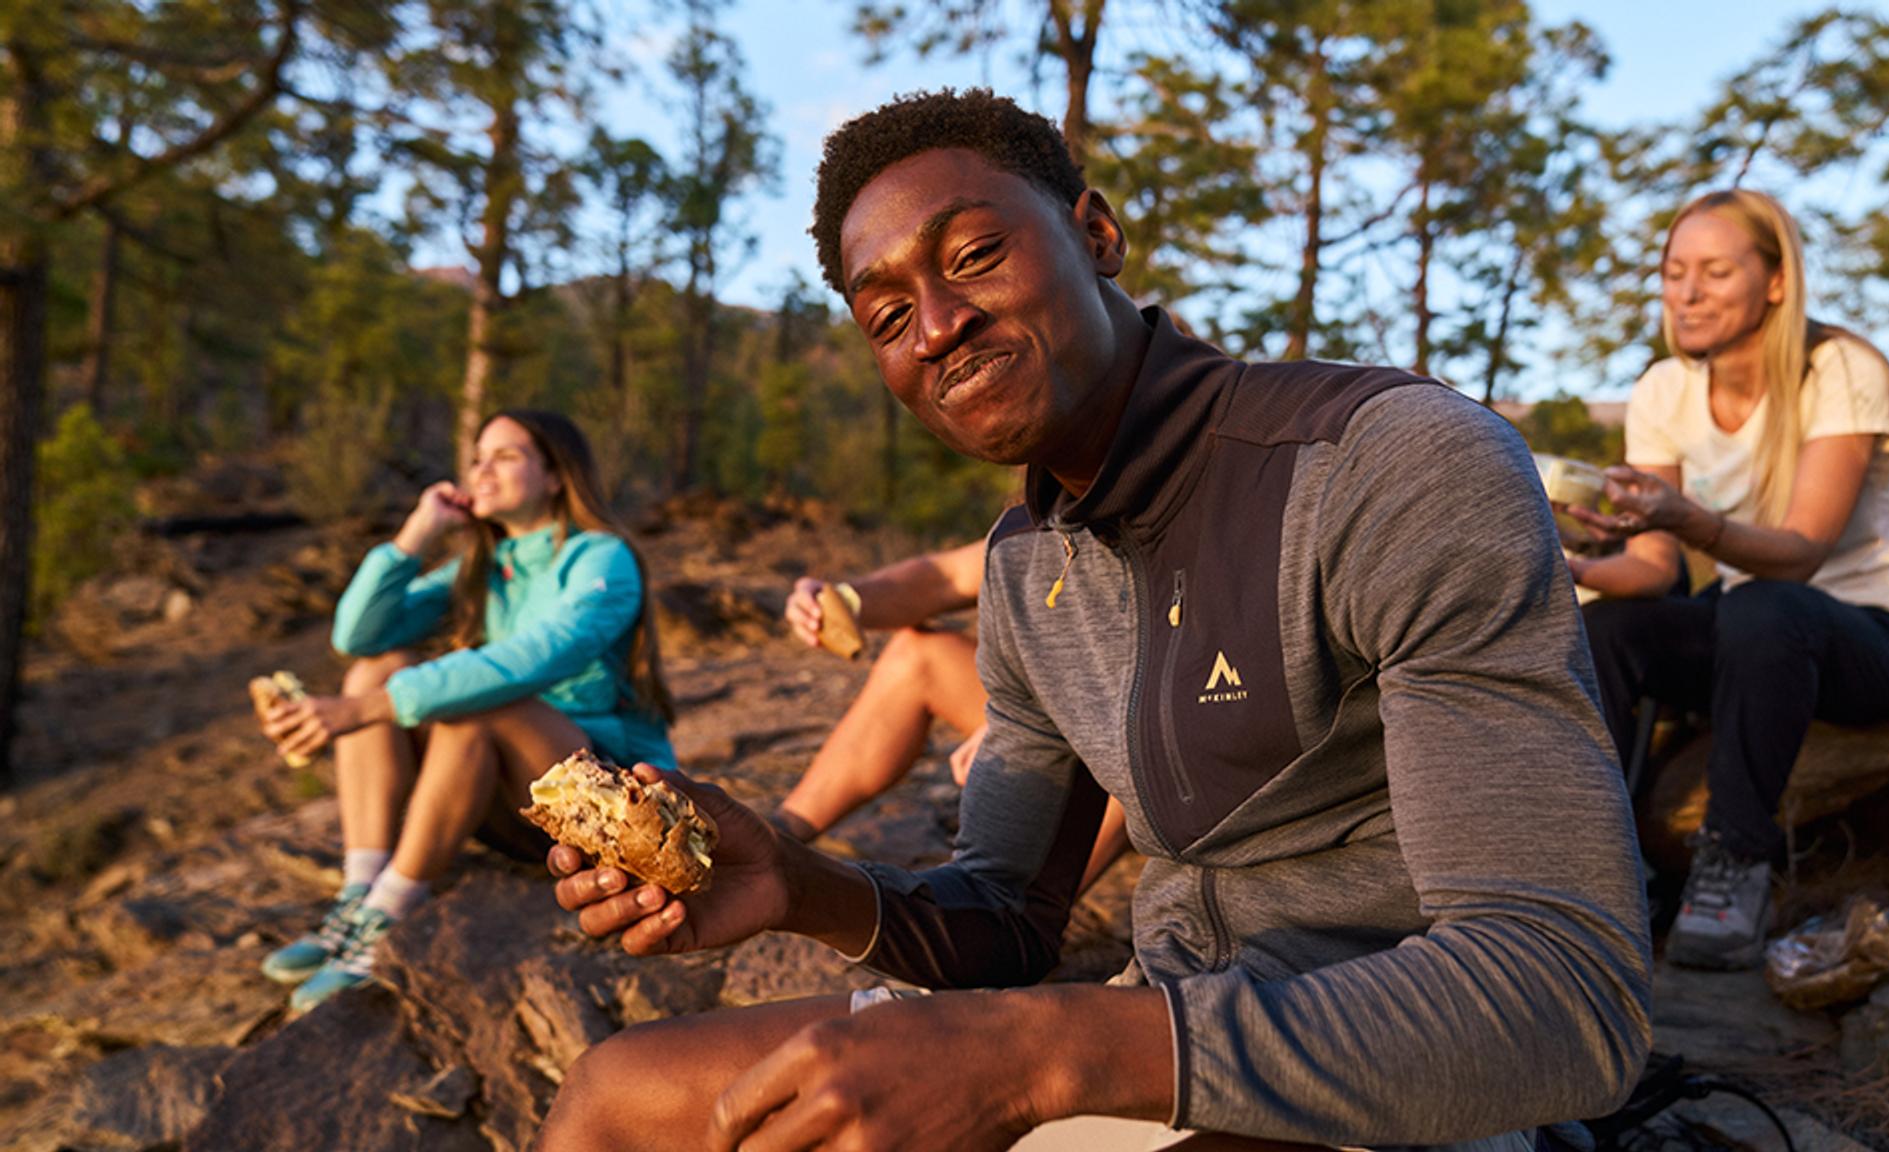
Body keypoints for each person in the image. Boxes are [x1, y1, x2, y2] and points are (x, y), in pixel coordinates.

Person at [537, 89, 1650, 1151]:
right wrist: (795, 881)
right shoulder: (1024, 568)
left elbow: (1565, 993)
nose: (938, 326)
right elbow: (1007, 918)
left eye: (976, 254)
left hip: (1372, 1081)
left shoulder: (1384, 463)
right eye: (887, 316)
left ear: (1097, 233)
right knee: (617, 1099)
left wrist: (1034, 1054)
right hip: (1147, 1024)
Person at [1569, 189, 1889, 970]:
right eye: (1674, 272)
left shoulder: (1839, 370)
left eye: (1715, 272)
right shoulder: (1663, 389)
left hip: (1874, 635)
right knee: (1607, 627)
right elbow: (1655, 567)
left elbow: (1802, 551)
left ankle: (1734, 862)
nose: (1687, 292)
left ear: (1776, 282)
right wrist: (1566, 564)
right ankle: (1596, 865)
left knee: (1767, 605)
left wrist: (1688, 519)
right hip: (1752, 628)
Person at [254, 409, 675, 1014]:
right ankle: (360, 892)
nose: (482, 470)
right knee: (375, 669)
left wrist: (371, 709)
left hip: (607, 806)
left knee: (476, 703)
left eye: (505, 456)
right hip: (516, 805)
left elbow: (536, 657)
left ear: (556, 475)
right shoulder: (484, 568)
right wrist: (416, 535)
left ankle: (392, 912)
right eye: (477, 458)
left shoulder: (601, 558)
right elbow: (357, 637)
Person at [775, 543, 1130, 890]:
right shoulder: (1056, 514)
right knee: (919, 657)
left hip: (1135, 726)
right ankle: (774, 843)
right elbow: (946, 578)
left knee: (1129, 759)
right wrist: (840, 601)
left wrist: (1035, 715)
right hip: (1069, 703)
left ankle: (1011, 911)